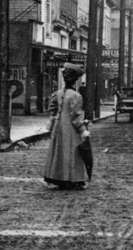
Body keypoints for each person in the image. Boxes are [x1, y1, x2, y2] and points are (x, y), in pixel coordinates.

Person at [43, 63, 91, 191]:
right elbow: (76, 117)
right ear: (75, 80)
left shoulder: (57, 94)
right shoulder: (76, 96)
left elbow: (52, 111)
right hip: (70, 130)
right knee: (72, 153)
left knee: (58, 153)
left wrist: (51, 125)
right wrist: (83, 130)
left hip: (58, 128)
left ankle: (56, 177)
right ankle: (72, 179)